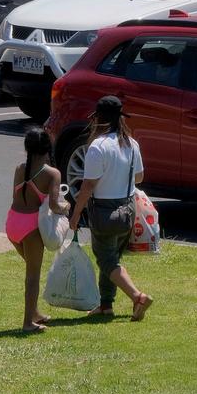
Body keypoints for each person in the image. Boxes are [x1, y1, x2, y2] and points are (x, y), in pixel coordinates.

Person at [68, 96, 152, 321]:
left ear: (98, 119)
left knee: (106, 260)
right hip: (128, 207)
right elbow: (140, 177)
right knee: (112, 257)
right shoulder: (131, 144)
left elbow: (87, 186)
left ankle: (138, 296)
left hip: (105, 211)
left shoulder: (98, 147)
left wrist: (76, 214)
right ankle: (106, 305)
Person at [5, 127, 69, 334]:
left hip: (13, 224)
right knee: (32, 276)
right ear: (47, 148)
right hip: (31, 228)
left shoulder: (19, 168)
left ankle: (34, 313)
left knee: (32, 270)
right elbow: (53, 205)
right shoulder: (52, 173)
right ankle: (27, 323)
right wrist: (66, 208)